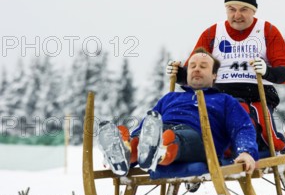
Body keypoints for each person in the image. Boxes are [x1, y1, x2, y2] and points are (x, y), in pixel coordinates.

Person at [166, 0, 285, 185]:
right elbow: (196, 69)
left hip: (255, 93)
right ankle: (199, 160)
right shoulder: (213, 33)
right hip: (219, 95)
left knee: (262, 128)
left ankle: (284, 147)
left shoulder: (267, 31)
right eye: (231, 9)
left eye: (243, 10)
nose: (237, 15)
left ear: (253, 11)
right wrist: (179, 74)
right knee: (202, 123)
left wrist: (268, 71)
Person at [98, 49, 258, 177]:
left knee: (175, 138)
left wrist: (246, 152)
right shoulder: (171, 97)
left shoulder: (225, 100)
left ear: (214, 75)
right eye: (193, 66)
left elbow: (242, 128)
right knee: (151, 130)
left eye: (203, 66)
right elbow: (148, 125)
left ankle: (161, 150)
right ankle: (129, 151)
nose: (196, 69)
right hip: (162, 129)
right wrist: (138, 135)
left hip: (200, 137)